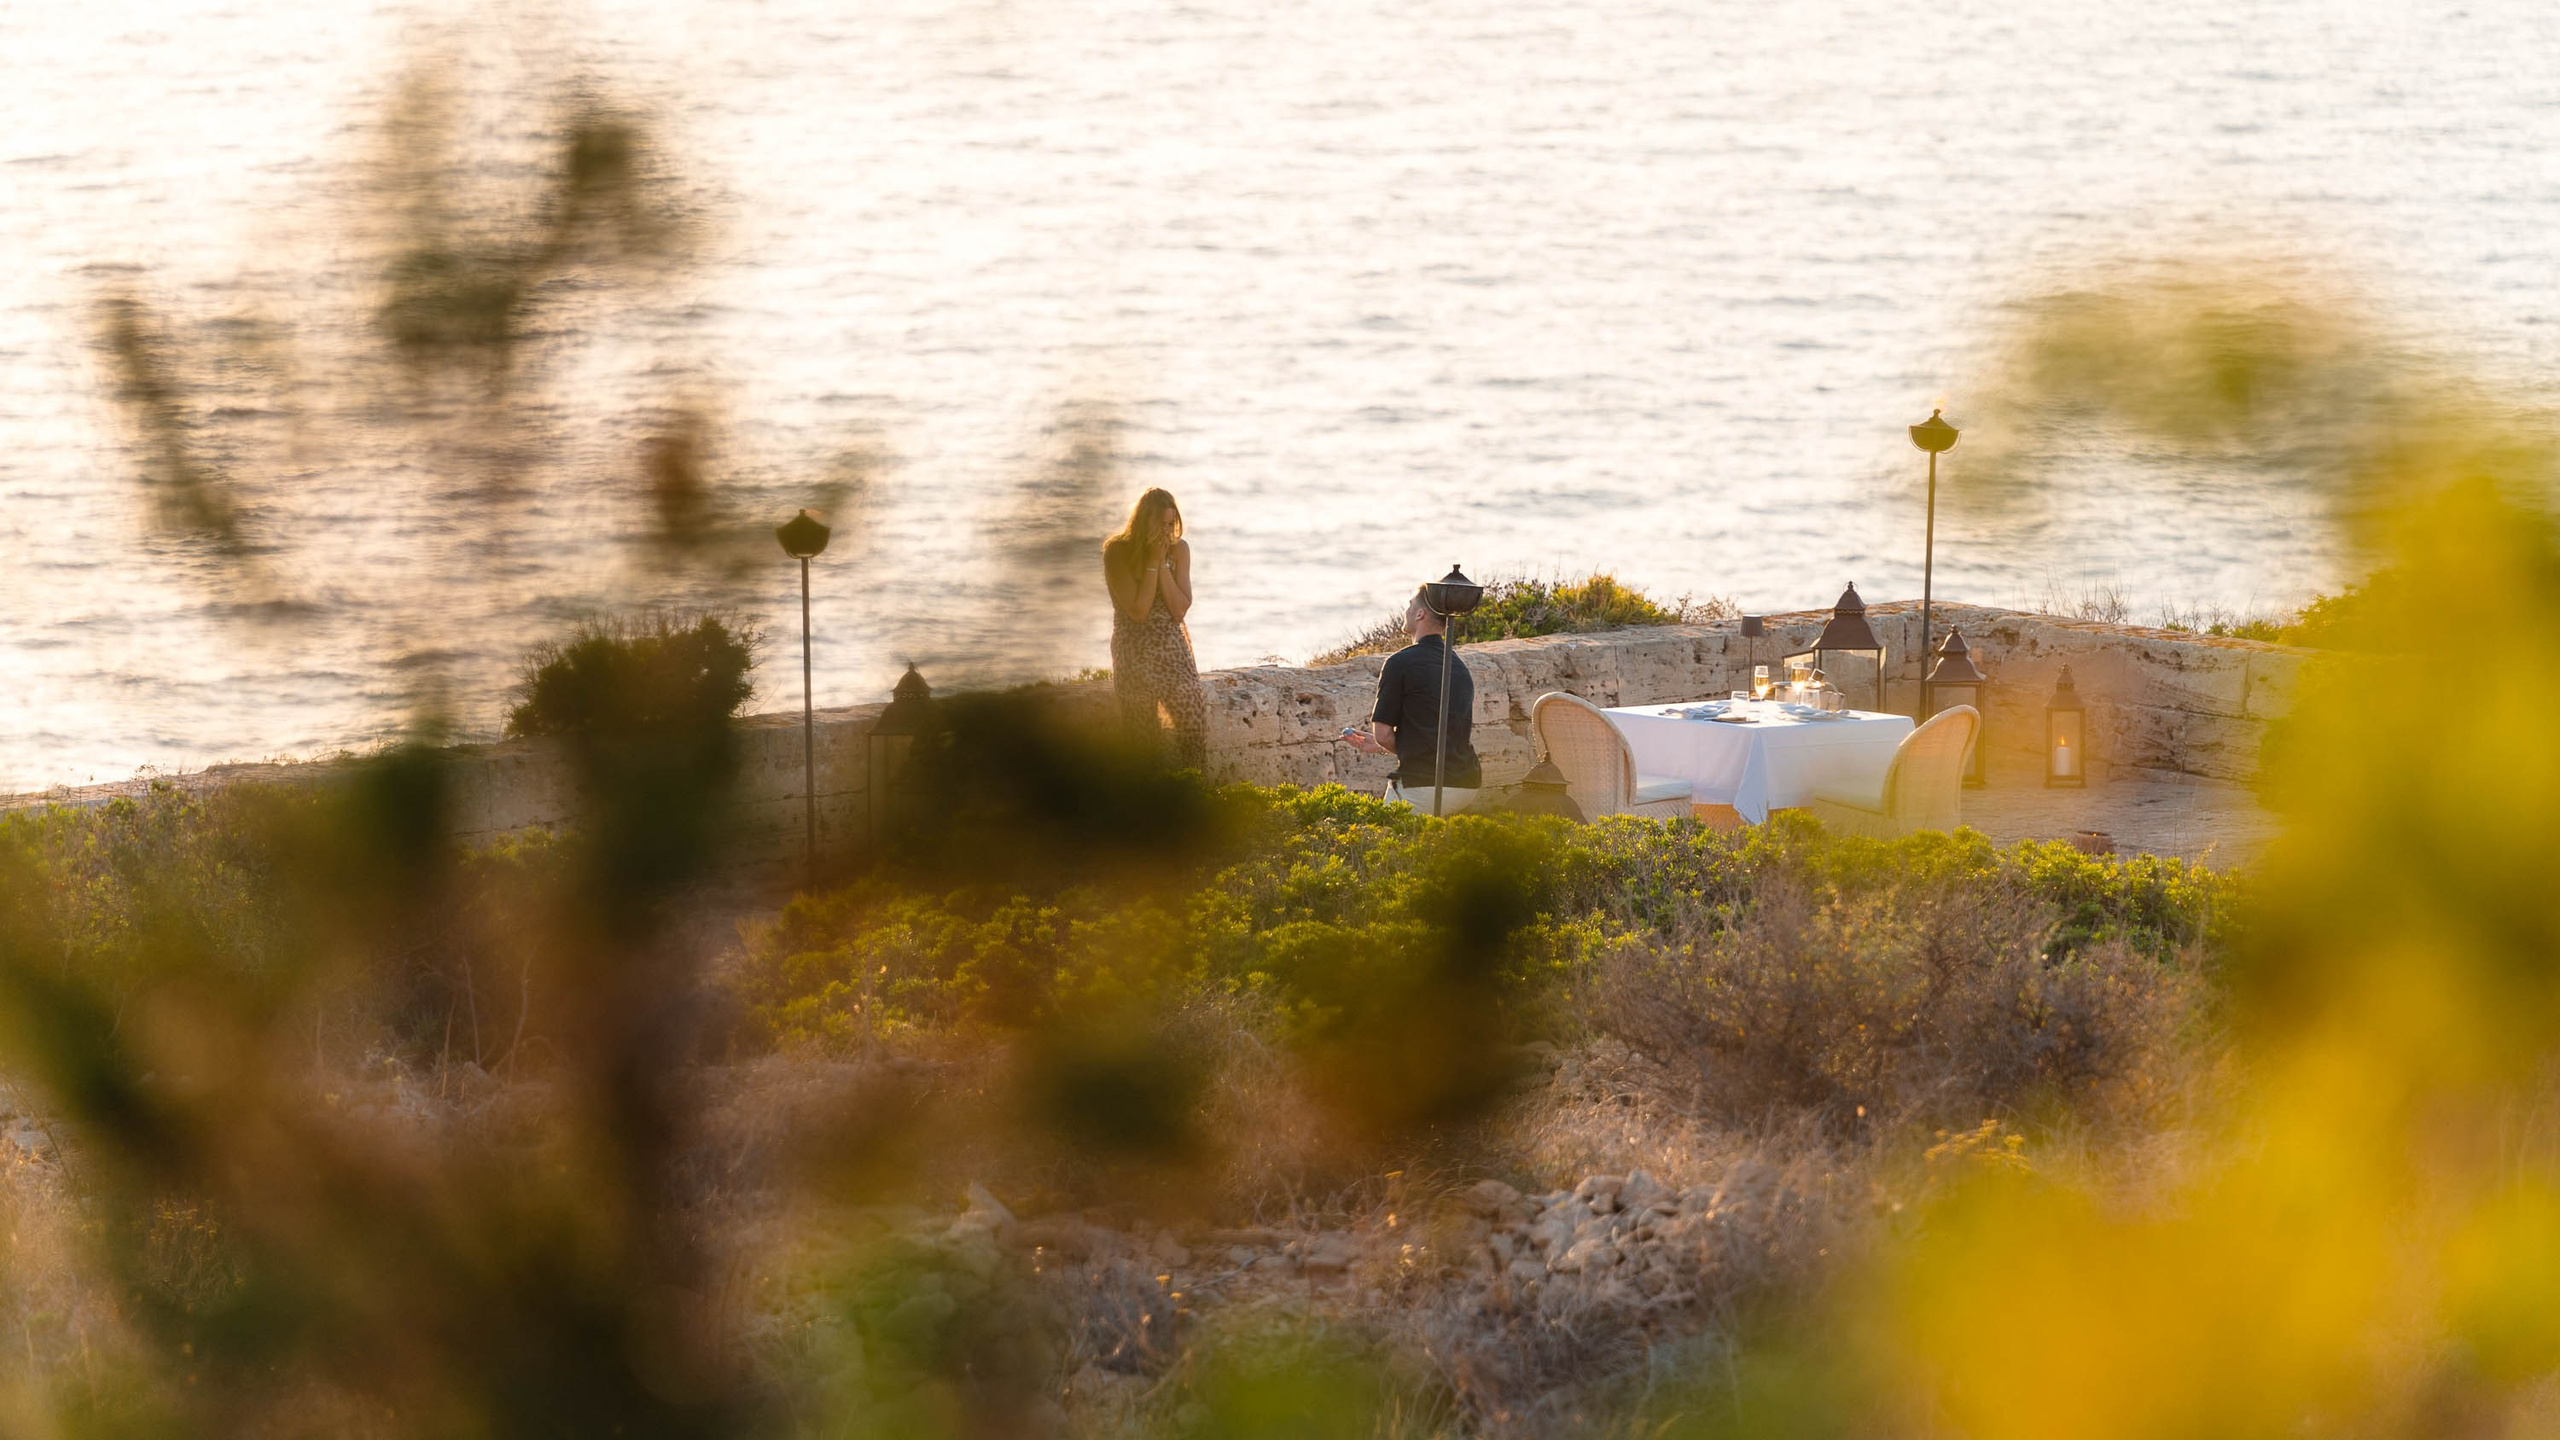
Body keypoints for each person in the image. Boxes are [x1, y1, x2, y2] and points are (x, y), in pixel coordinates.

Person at [1341, 587, 1481, 812]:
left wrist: (1383, 742)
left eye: (1410, 605)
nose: (1406, 611)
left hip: (1425, 785)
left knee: (1386, 841)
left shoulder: (1400, 662)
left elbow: (1383, 734)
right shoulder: (1458, 665)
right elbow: (1439, 737)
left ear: (1420, 614)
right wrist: (1382, 746)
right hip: (1467, 783)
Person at [1101, 487, 1207, 768]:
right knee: (1143, 739)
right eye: (1159, 524)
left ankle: (1192, 792)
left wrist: (1162, 565)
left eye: (1170, 524)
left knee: (1192, 726)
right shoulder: (1117, 551)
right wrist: (1151, 561)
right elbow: (1138, 611)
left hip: (1172, 647)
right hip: (1134, 649)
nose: (1166, 530)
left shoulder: (1179, 549)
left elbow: (1179, 609)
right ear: (1142, 521)